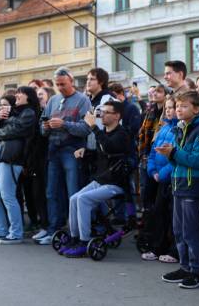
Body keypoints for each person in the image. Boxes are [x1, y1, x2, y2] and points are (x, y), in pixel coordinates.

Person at [157, 91, 199, 289]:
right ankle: (185, 266)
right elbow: (179, 160)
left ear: (196, 109)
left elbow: (198, 161)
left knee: (191, 231)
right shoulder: (180, 129)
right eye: (177, 106)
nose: (178, 110)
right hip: (179, 184)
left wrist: (173, 152)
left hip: (193, 186)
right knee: (179, 230)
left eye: (183, 106)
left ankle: (197, 271)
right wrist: (169, 154)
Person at [61, 101, 131, 257]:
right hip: (101, 180)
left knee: (83, 199)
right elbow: (102, 155)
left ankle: (84, 241)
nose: (102, 115)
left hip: (116, 183)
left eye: (106, 112)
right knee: (74, 199)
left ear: (117, 116)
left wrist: (93, 127)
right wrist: (85, 152)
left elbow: (109, 148)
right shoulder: (104, 133)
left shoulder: (122, 134)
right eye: (101, 112)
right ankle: (74, 238)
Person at [38, 67, 92, 245]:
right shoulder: (53, 100)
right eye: (57, 84)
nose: (60, 87)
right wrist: (45, 127)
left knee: (73, 192)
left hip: (72, 150)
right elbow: (42, 126)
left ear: (72, 81)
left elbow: (87, 128)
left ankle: (75, 232)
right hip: (53, 150)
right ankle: (54, 230)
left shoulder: (83, 100)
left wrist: (64, 124)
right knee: (51, 192)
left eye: (63, 84)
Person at [0, 86, 39, 244]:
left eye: (21, 93)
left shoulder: (28, 113)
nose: (17, 95)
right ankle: (1, 229)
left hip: (11, 156)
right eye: (17, 93)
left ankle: (16, 232)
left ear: (29, 97)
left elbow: (16, 131)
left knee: (7, 195)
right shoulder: (13, 113)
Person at [141, 96, 178, 263]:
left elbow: (175, 155)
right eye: (167, 107)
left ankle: (174, 251)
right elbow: (153, 152)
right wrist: (152, 170)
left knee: (173, 216)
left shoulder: (179, 129)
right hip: (160, 179)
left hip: (171, 179)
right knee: (159, 214)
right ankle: (158, 247)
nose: (169, 110)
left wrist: (161, 173)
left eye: (172, 107)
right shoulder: (163, 128)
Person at [28, 87, 55, 241]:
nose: (38, 97)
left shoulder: (51, 112)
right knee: (38, 194)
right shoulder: (36, 113)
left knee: (48, 195)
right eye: (37, 94)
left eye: (41, 95)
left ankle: (51, 227)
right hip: (37, 159)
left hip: (49, 157)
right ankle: (44, 226)